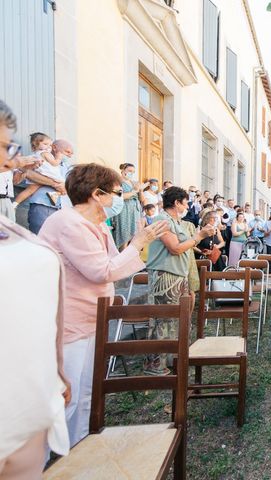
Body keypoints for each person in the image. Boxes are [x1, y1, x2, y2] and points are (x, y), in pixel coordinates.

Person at [37, 163, 167, 448]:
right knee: (65, 396)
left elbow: (114, 263)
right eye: (117, 193)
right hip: (69, 319)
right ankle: (51, 459)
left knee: (87, 392)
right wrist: (137, 242)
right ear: (97, 194)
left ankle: (81, 447)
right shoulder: (68, 223)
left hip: (92, 316)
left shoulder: (96, 224)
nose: (121, 199)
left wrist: (137, 244)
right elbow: (101, 271)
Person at [0, 100, 70, 478]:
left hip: (30, 415)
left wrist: (55, 373)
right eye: (4, 149)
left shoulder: (11, 227)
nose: (12, 161)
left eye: (9, 147)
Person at [145, 186, 215, 375]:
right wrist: (199, 236)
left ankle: (173, 359)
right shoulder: (162, 219)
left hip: (178, 275)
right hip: (165, 275)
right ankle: (155, 365)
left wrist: (198, 236)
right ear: (176, 202)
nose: (186, 206)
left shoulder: (177, 222)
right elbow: (175, 248)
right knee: (163, 320)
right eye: (184, 202)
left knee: (177, 320)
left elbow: (185, 246)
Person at [16, 139, 73, 234]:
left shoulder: (67, 167)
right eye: (67, 152)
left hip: (62, 208)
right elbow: (29, 173)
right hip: (43, 205)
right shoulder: (38, 160)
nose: (69, 156)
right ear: (54, 148)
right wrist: (54, 183)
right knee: (40, 237)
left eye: (71, 153)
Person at [12, 132, 63, 207]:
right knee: (63, 184)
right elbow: (54, 163)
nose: (48, 147)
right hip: (48, 174)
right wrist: (59, 158)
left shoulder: (35, 154)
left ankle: (15, 203)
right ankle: (54, 194)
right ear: (35, 145)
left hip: (38, 174)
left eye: (50, 145)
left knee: (29, 190)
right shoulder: (45, 153)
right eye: (45, 144)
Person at [111, 163, 146, 249]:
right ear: (123, 170)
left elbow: (142, 199)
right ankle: (122, 258)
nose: (131, 173)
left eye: (133, 172)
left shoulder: (134, 183)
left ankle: (132, 258)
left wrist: (140, 190)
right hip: (124, 211)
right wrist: (134, 191)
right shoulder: (117, 182)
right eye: (129, 171)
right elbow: (119, 196)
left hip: (135, 211)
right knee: (124, 237)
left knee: (135, 237)